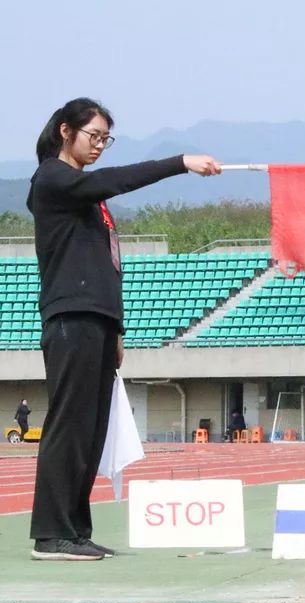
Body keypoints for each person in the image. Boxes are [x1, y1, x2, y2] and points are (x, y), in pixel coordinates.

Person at [28, 98, 220, 562]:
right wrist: (178, 163)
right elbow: (113, 180)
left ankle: (74, 530)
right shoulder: (53, 179)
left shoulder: (89, 200)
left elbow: (105, 265)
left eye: (105, 140)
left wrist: (116, 328)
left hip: (96, 320)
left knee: (92, 430)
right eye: (93, 136)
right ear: (64, 131)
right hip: (71, 318)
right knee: (70, 424)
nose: (99, 147)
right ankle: (51, 534)